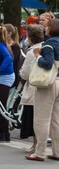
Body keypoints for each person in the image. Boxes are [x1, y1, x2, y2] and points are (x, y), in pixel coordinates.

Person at [29, 20, 59, 161]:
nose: (45, 29)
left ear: (52, 29)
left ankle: (39, 152)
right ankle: (57, 151)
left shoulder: (49, 44)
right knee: (56, 120)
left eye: (47, 27)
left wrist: (37, 56)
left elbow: (47, 64)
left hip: (49, 83)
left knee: (42, 118)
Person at [19, 24, 44, 146]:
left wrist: (20, 73)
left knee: (33, 119)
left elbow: (25, 73)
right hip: (45, 86)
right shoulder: (46, 48)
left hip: (33, 87)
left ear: (30, 37)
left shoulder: (31, 52)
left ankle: (36, 145)